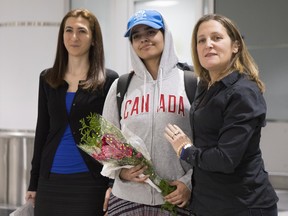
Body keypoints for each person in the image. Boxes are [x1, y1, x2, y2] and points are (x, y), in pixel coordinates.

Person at [164, 14, 279, 216]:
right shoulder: (206, 85)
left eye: (216, 38)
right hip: (208, 203)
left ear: (235, 46)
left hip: (243, 206)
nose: (208, 44)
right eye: (202, 40)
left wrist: (184, 149)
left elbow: (225, 159)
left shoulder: (243, 92)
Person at [25, 8, 118, 216]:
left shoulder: (109, 80)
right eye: (68, 30)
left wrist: (112, 183)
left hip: (90, 180)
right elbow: (42, 131)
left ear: (93, 39)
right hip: (50, 180)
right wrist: (33, 182)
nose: (74, 37)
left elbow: (111, 136)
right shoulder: (48, 79)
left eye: (82, 31)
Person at [102, 9, 194, 215]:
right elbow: (107, 142)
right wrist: (121, 173)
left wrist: (189, 182)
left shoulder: (190, 82)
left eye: (150, 32)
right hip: (126, 198)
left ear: (165, 35)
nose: (144, 39)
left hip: (175, 198)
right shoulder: (121, 86)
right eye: (136, 36)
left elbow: (207, 141)